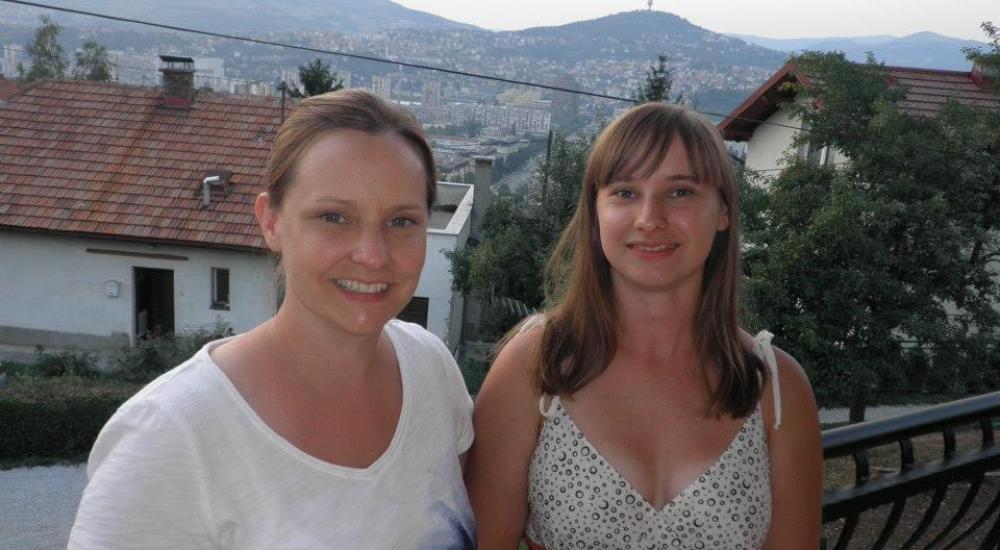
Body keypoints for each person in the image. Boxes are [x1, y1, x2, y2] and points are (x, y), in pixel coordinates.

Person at [69, 90, 476, 549]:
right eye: (334, 216)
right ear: (271, 222)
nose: (372, 255)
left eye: (401, 222)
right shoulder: (169, 438)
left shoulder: (431, 370)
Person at [466, 103, 822, 549]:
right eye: (625, 193)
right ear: (595, 214)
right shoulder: (535, 367)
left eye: (680, 193)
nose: (650, 219)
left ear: (724, 212)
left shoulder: (777, 389)